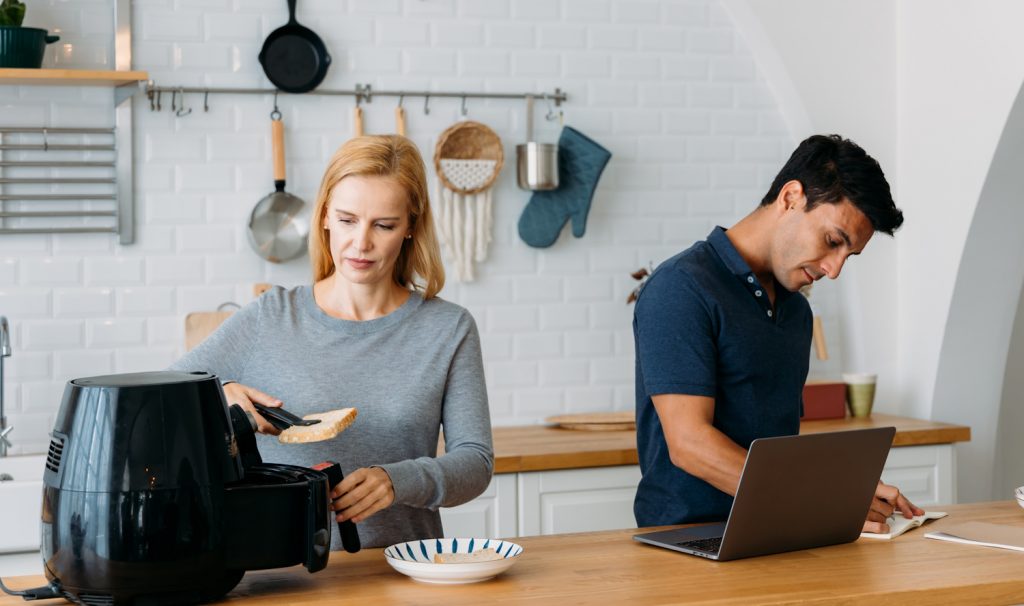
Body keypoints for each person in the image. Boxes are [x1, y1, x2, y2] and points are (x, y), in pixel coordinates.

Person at [171, 135, 494, 549]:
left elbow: (476, 463)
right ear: (324, 217)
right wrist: (220, 398)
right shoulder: (270, 315)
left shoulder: (448, 329)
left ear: (411, 226)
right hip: (280, 575)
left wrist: (399, 480)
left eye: (384, 225)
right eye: (346, 220)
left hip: (402, 570)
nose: (361, 243)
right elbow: (158, 403)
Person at [632, 134, 922, 534]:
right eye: (833, 241)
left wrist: (845, 490)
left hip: (777, 530)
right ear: (791, 198)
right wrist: (823, 501)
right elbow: (689, 445)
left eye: (848, 255)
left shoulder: (795, 312)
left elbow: (772, 454)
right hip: (689, 540)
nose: (835, 269)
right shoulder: (681, 288)